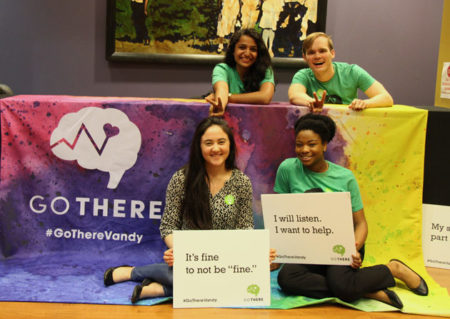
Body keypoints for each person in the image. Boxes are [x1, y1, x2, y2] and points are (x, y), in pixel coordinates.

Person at [104, 117, 276, 303]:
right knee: (209, 280)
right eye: (208, 143)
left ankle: (161, 288)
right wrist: (180, 252)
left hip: (227, 258)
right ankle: (134, 273)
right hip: (193, 258)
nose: (216, 149)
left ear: (230, 145)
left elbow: (245, 228)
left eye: (221, 142)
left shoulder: (241, 182)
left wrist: (256, 253)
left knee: (243, 281)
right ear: (199, 147)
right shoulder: (181, 179)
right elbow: (168, 226)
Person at [274, 113, 428, 309]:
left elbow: (361, 223)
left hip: (342, 243)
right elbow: (282, 217)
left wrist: (353, 248)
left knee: (342, 284)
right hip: (308, 246)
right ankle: (366, 289)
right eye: (299, 144)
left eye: (311, 144)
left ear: (324, 145)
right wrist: (280, 254)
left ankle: (393, 269)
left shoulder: (344, 177)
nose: (304, 150)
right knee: (287, 279)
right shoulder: (287, 169)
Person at [288, 32, 394, 112]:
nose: (317, 56)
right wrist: (313, 103)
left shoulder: (352, 71)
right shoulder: (303, 75)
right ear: (305, 58)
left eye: (322, 51)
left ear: (332, 53)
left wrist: (364, 103)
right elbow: (294, 95)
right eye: (311, 53)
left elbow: (386, 98)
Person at [206, 28, 275, 117]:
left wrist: (229, 97)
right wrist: (221, 105)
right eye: (242, 47)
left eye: (253, 49)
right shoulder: (222, 69)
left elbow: (265, 97)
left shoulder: (265, 70)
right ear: (233, 51)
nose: (247, 53)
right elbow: (222, 90)